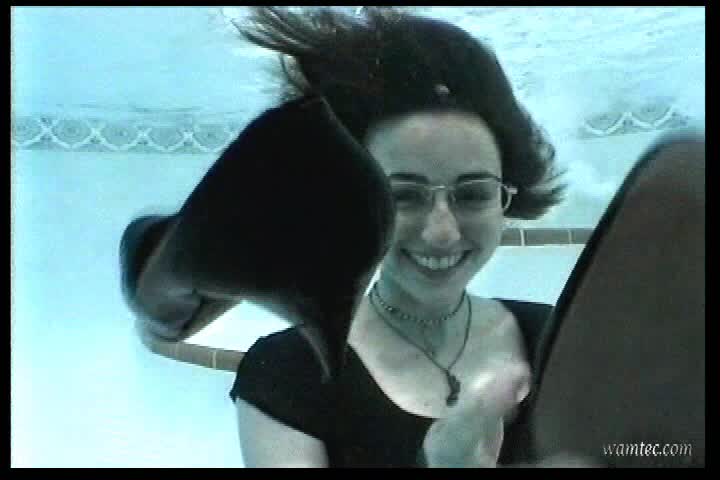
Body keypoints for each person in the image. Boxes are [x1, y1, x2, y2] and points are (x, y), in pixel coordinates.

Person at [121, 6, 567, 467]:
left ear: (507, 196)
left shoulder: (557, 335)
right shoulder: (287, 374)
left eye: (473, 194)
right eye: (403, 196)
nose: (442, 232)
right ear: (351, 207)